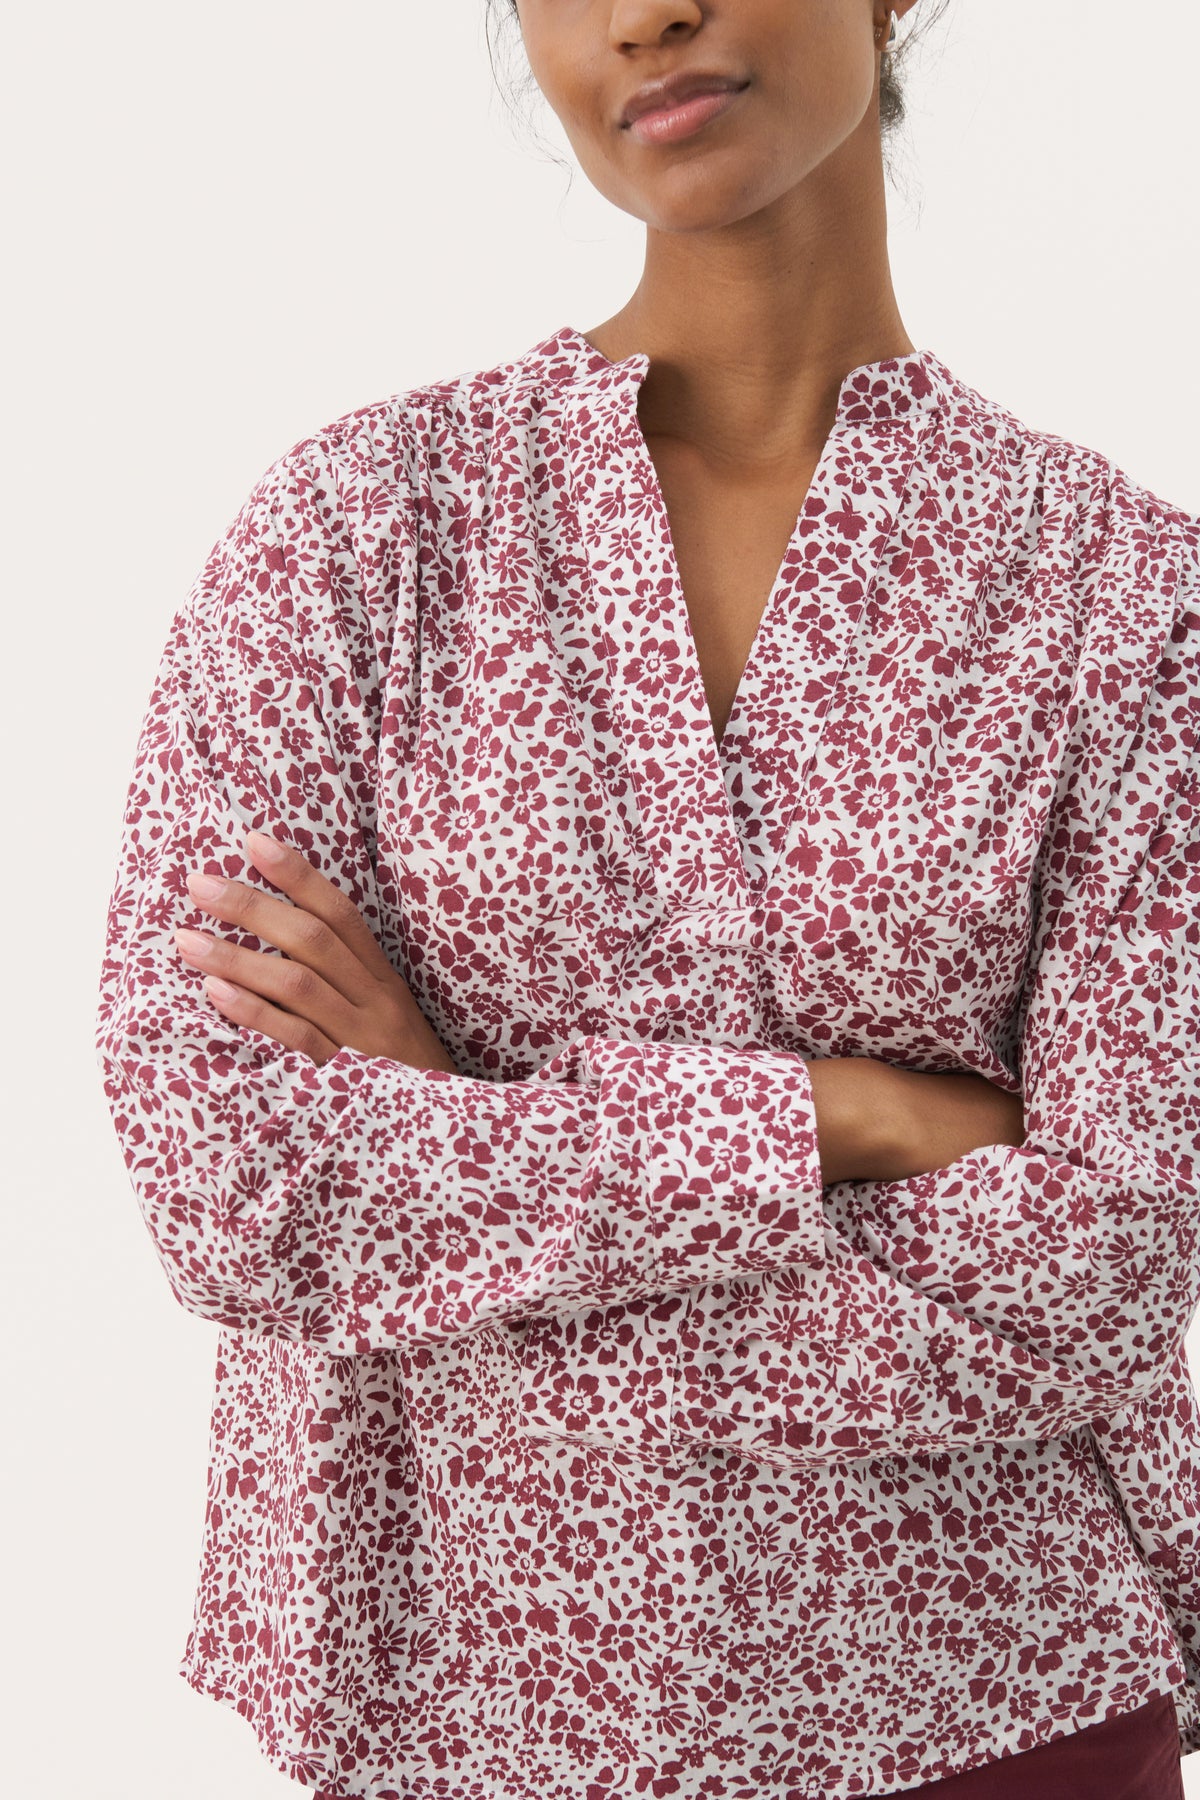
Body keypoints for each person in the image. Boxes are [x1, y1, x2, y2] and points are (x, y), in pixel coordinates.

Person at [94, 3, 1200, 1797]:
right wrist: (834, 1119)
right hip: (470, 1722)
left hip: (997, 1709)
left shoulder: (1125, 603)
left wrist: (458, 1159)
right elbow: (236, 1187)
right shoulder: (361, 536)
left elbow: (1104, 1275)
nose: (640, 16)